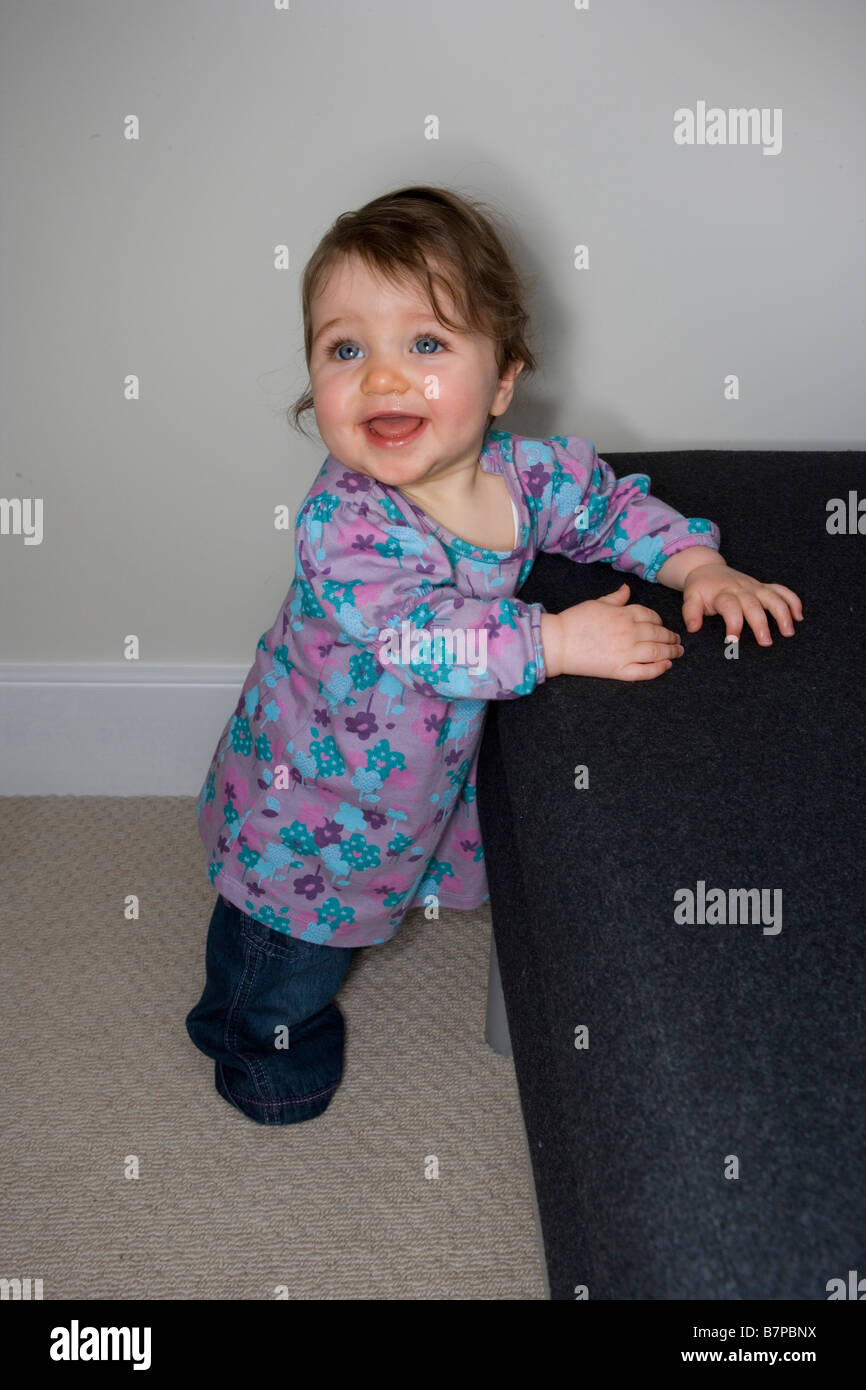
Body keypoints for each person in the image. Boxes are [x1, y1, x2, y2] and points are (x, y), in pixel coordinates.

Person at [186, 184, 804, 1125]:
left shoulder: (526, 476)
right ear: (316, 384)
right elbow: (423, 636)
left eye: (426, 344)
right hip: (309, 802)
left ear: (505, 378)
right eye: (346, 349)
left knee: (373, 896)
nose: (384, 378)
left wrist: (697, 566)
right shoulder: (343, 525)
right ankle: (248, 1048)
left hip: (411, 786)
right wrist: (559, 639)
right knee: (287, 952)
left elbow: (607, 508)